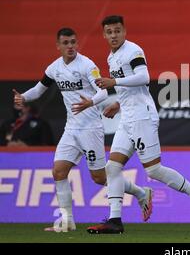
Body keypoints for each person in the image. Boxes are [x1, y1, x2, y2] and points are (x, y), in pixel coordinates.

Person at [13, 27, 153, 232]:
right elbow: (39, 89)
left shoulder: (87, 65)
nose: (70, 46)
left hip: (91, 128)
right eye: (66, 43)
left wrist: (91, 103)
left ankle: (141, 193)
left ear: (77, 44)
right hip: (71, 129)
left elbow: (103, 92)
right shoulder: (54, 68)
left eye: (73, 42)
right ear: (58, 46)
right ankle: (67, 221)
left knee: (100, 178)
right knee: (58, 171)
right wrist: (24, 97)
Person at [87, 15, 190, 234]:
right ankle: (115, 220)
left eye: (117, 30)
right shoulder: (111, 56)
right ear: (104, 34)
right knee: (113, 168)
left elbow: (144, 77)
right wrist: (118, 102)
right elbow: (131, 88)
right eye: (109, 32)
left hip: (143, 117)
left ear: (124, 31)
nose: (114, 35)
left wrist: (114, 82)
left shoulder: (133, 50)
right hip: (127, 117)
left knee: (153, 170)